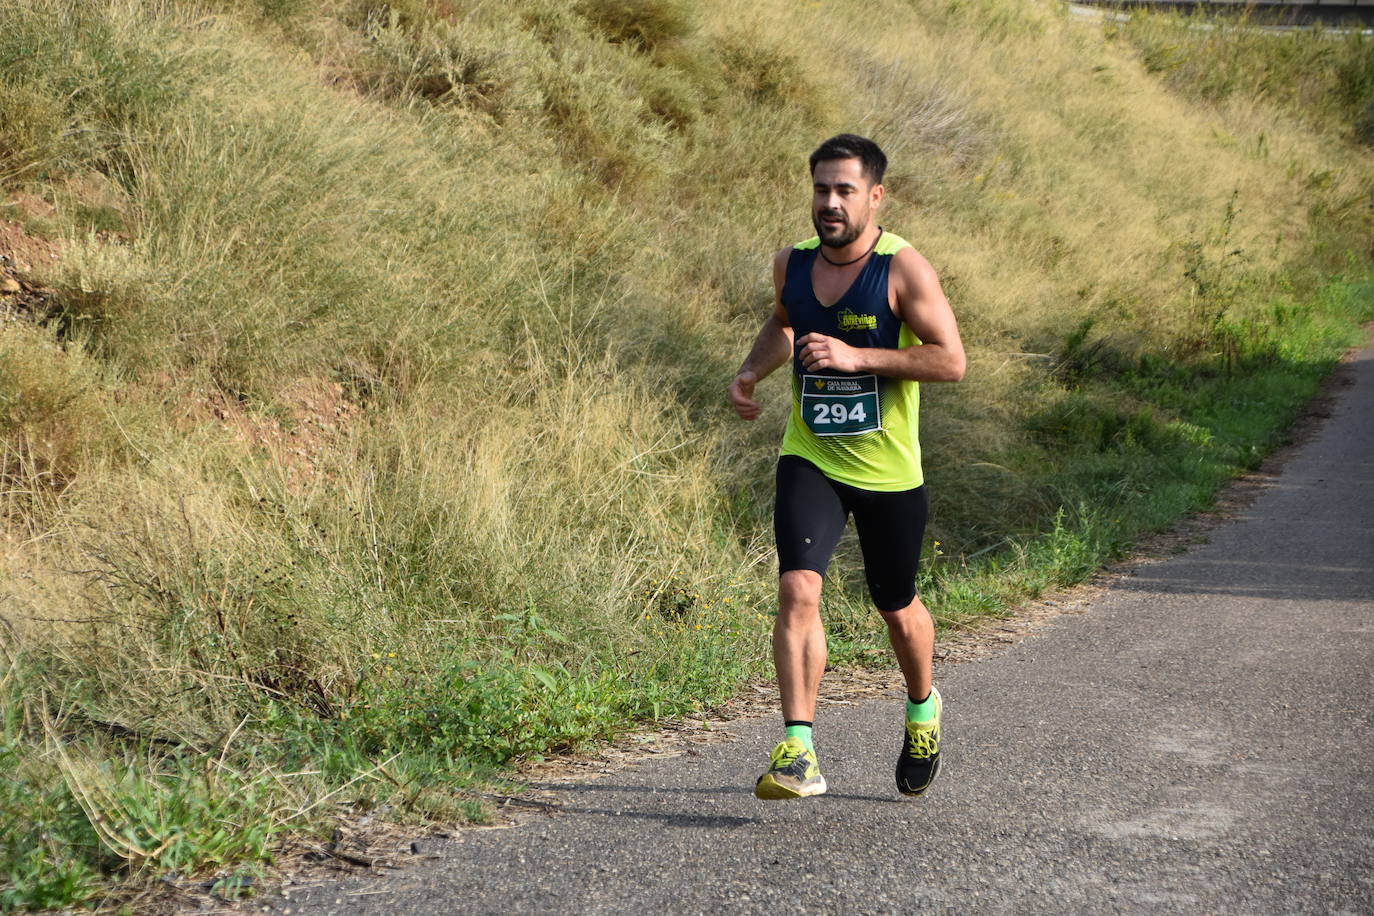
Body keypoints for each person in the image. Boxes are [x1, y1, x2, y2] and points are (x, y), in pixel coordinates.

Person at [728, 134, 966, 799]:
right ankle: (797, 748)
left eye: (844, 191)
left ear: (876, 196)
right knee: (799, 589)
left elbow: (950, 360)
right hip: (812, 456)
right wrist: (751, 371)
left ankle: (923, 708)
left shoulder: (903, 271)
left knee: (896, 606)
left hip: (889, 471)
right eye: (820, 189)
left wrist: (859, 359)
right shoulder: (792, 265)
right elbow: (785, 323)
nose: (829, 203)